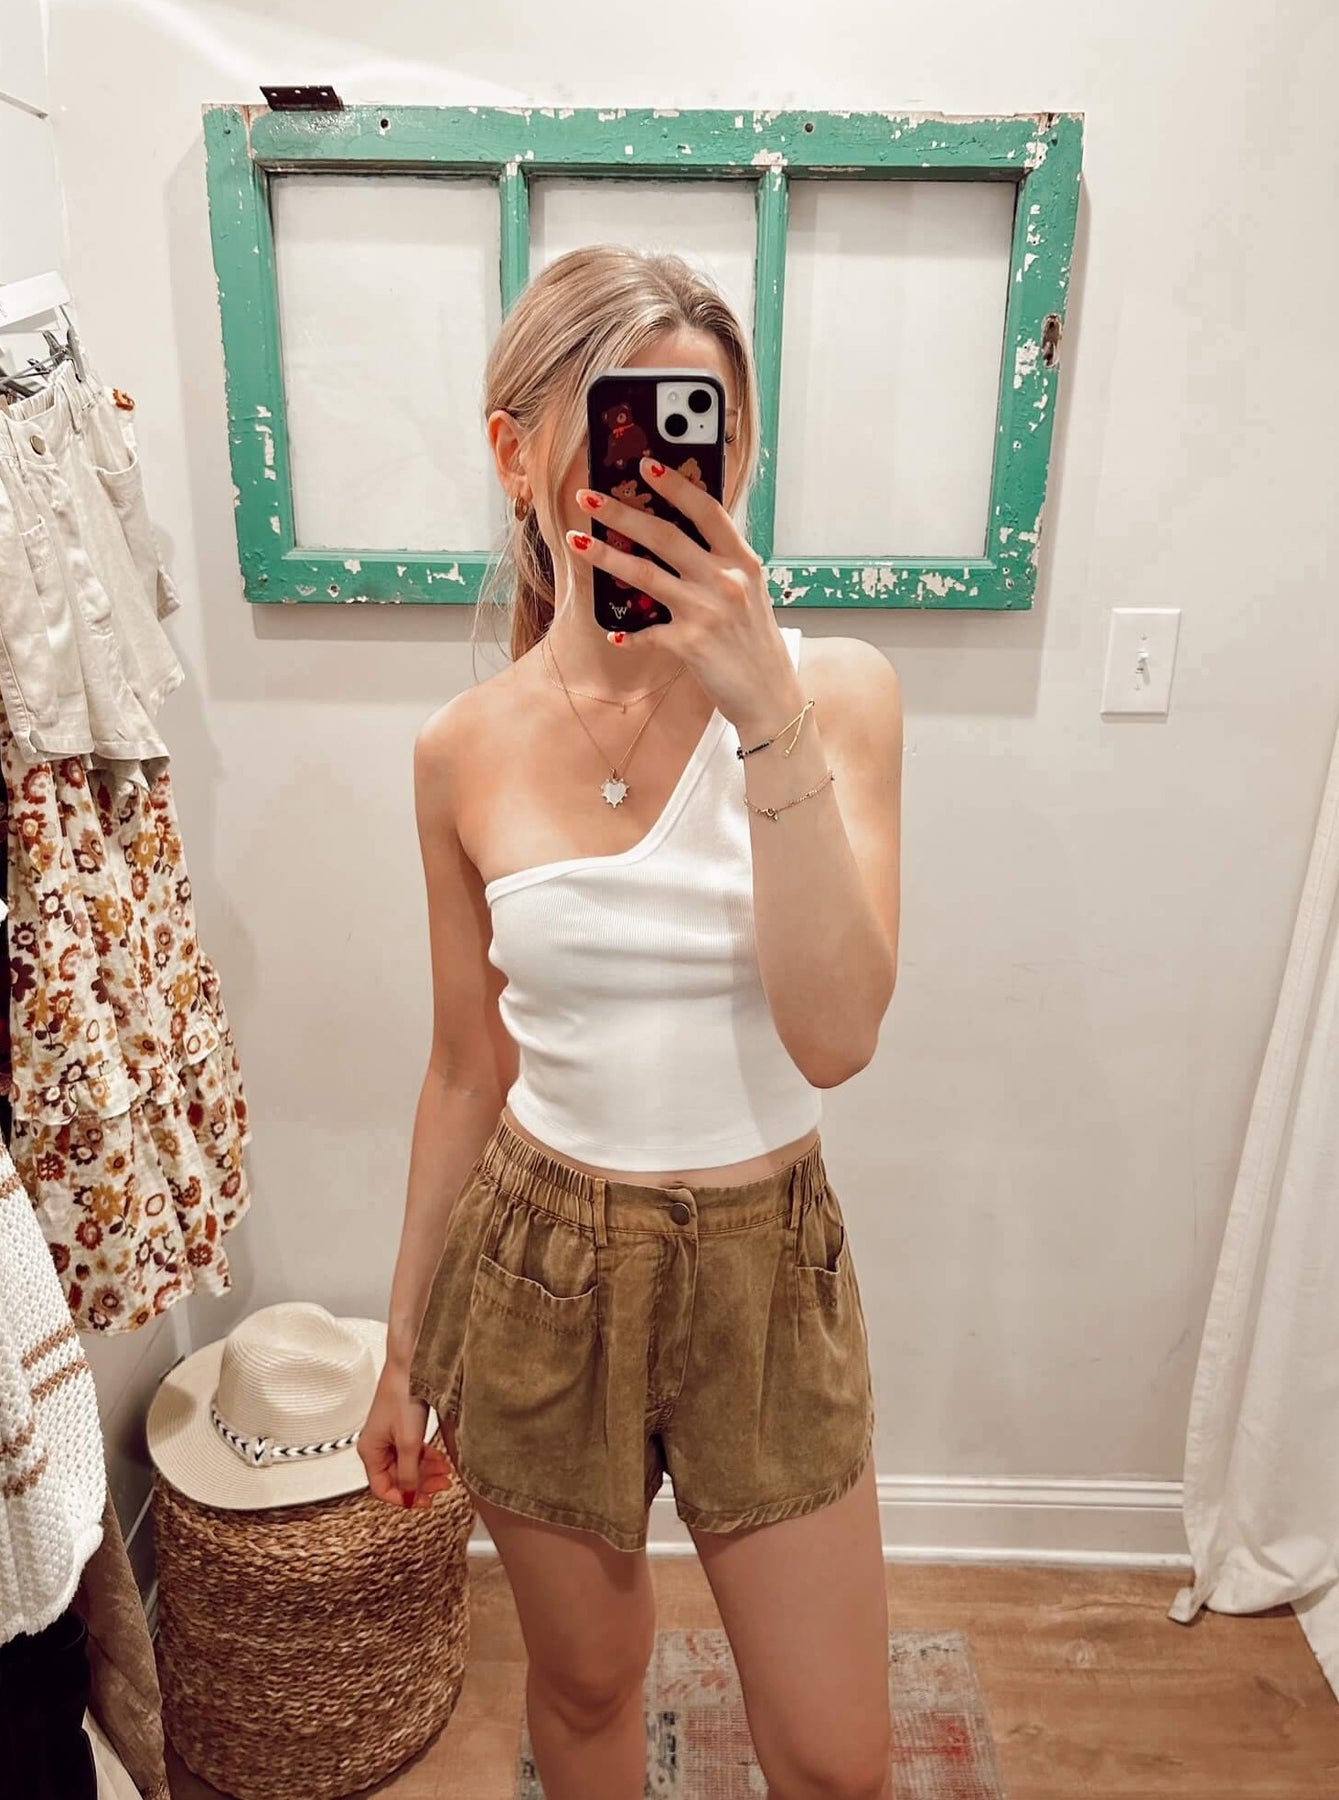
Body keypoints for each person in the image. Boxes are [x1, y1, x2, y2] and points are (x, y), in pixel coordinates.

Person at [359, 244, 904, 1800]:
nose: (666, 475)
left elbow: (835, 1037)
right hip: (539, 1265)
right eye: (627, 433)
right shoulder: (460, 751)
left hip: (763, 1272)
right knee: (589, 1691)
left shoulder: (838, 695)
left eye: (699, 438)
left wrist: (765, 710)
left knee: (838, 1759)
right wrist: (401, 1346)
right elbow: (466, 1066)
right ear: (516, 452)